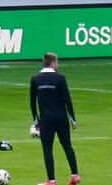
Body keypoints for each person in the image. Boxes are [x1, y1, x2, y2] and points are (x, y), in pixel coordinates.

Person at [30, 52, 80, 185]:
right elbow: (67, 99)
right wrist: (73, 119)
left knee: (47, 148)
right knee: (67, 145)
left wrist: (35, 120)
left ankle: (51, 180)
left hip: (46, 119)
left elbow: (32, 102)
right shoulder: (60, 78)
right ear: (53, 63)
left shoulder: (35, 79)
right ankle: (75, 174)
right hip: (61, 118)